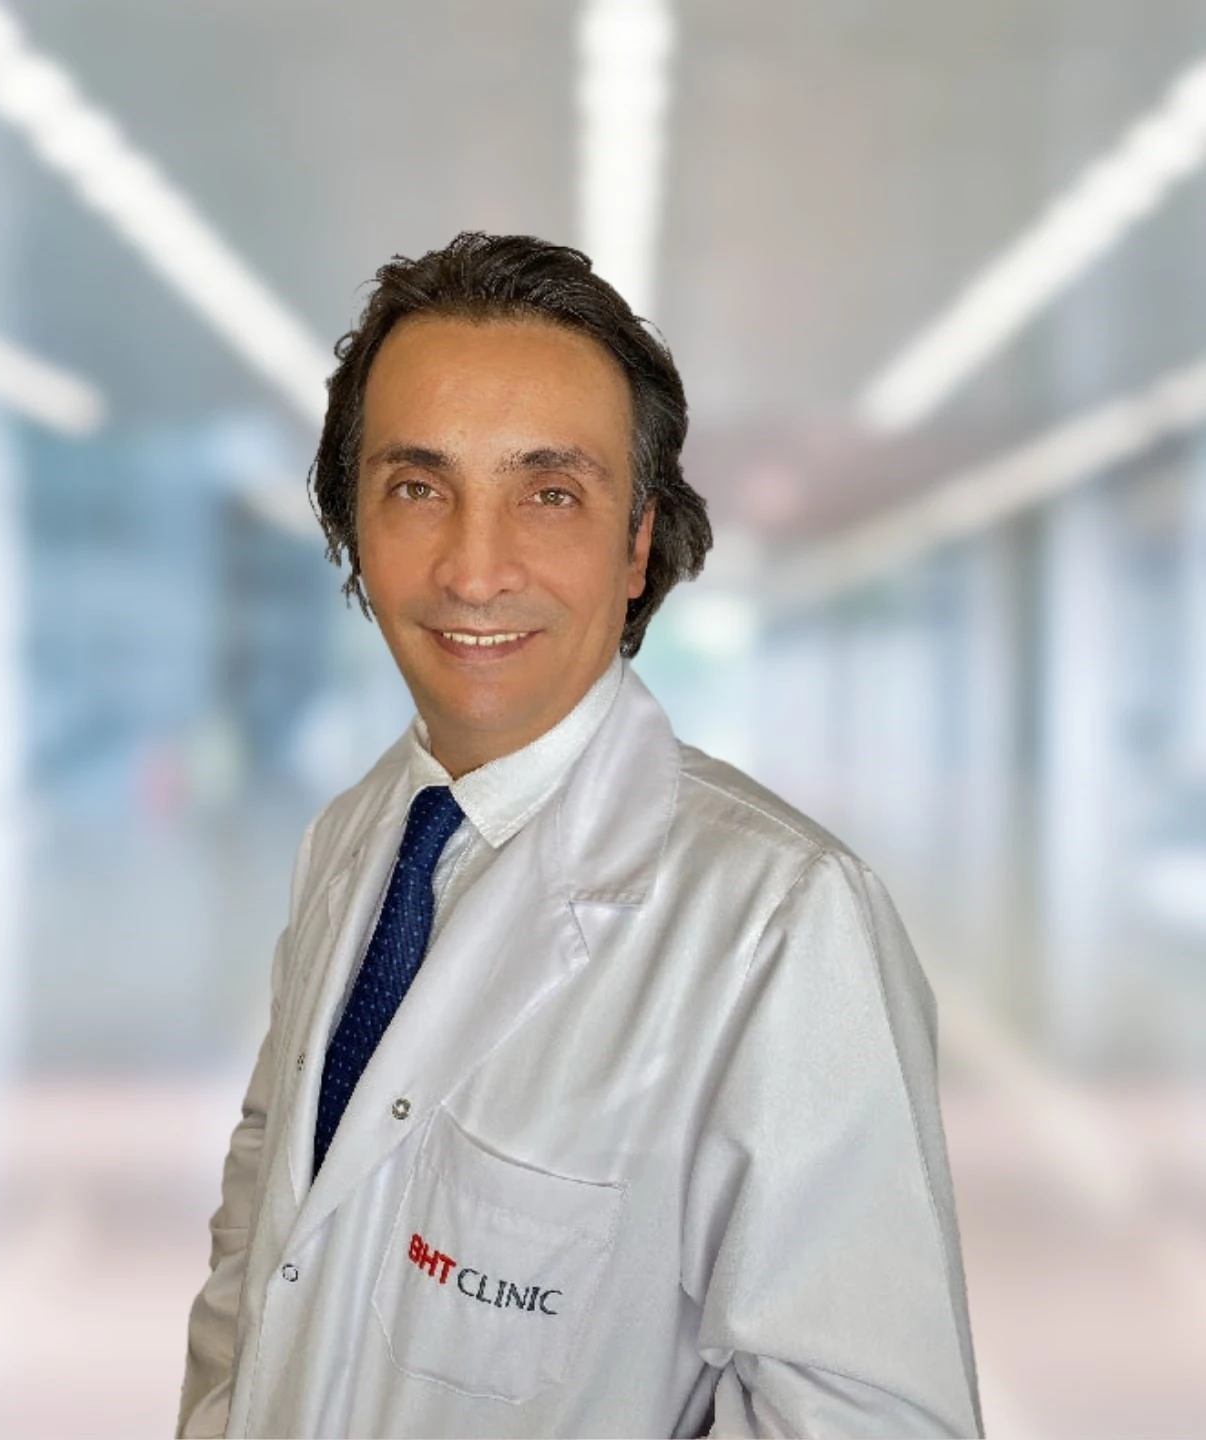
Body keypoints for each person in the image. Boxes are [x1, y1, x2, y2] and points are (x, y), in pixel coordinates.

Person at [178, 232, 982, 1439]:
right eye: (418, 488)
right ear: (351, 523)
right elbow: (257, 1270)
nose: (474, 568)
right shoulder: (351, 843)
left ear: (639, 540)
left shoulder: (783, 921)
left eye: (549, 493)